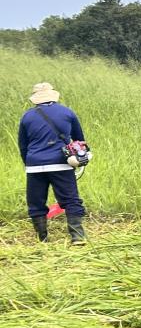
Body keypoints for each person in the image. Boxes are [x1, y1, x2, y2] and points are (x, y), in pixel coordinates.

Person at [18, 82, 88, 245]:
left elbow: (23, 145)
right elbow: (79, 140)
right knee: (71, 199)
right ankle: (77, 236)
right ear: (53, 95)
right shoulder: (67, 112)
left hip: (34, 166)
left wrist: (28, 164)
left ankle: (42, 238)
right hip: (61, 163)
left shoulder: (27, 116)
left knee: (36, 202)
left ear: (35, 99)